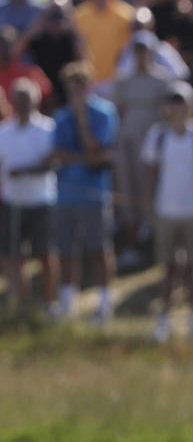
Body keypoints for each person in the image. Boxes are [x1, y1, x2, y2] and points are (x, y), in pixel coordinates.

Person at [141, 82, 193, 342]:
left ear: (191, 106)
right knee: (169, 269)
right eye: (173, 102)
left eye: (182, 102)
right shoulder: (157, 136)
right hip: (165, 210)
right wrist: (150, 206)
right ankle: (164, 319)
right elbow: (151, 174)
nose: (177, 107)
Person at [52, 61, 118, 324]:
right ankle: (67, 305)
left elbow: (96, 150)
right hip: (65, 194)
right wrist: (86, 157)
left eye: (80, 87)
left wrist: (82, 121)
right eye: (72, 88)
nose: (76, 93)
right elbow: (59, 154)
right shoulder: (60, 116)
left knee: (99, 250)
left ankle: (104, 306)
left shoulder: (104, 113)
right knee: (66, 252)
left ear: (89, 86)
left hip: (95, 195)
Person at [111, 30, 171, 268]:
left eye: (145, 51)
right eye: (137, 51)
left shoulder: (163, 80)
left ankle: (156, 247)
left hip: (154, 146)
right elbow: (119, 111)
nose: (141, 56)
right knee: (128, 191)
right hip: (127, 145)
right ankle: (131, 245)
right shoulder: (123, 81)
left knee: (153, 192)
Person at [0, 78, 58, 312]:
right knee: (13, 256)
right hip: (12, 201)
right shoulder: (4, 132)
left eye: (27, 100)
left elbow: (53, 162)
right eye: (19, 100)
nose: (23, 104)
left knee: (45, 254)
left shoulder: (48, 129)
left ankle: (49, 302)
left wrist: (23, 171)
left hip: (41, 200)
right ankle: (20, 302)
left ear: (36, 101)